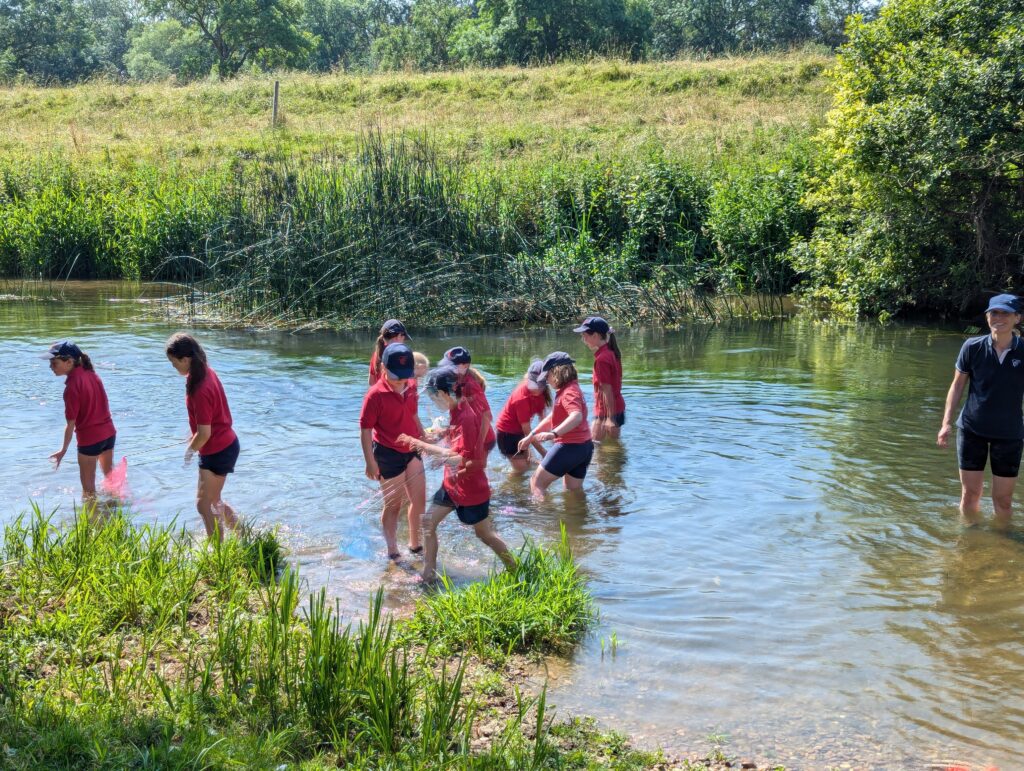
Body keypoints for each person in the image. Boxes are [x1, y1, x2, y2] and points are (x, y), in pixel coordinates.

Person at [399, 367, 514, 583]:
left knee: (485, 535)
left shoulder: (467, 416)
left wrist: (419, 444)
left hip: (471, 490)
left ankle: (515, 569)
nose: (433, 402)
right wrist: (441, 435)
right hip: (451, 485)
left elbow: (461, 458)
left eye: (433, 397)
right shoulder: (457, 410)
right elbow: (457, 444)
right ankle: (428, 573)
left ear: (443, 394)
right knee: (427, 523)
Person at [937, 294, 1024, 528]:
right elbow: (956, 386)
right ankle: (969, 541)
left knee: (1003, 500)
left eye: (1005, 313)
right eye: (994, 313)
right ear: (987, 317)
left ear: (1017, 318)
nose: (999, 318)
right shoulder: (972, 347)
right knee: (970, 494)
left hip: (1009, 434)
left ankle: (1001, 545)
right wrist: (946, 423)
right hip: (972, 429)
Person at [166, 333, 241, 540]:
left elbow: (205, 433)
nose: (174, 367)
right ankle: (243, 535)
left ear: (186, 359)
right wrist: (194, 436)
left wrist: (190, 449)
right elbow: (208, 423)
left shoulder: (199, 387)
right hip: (224, 444)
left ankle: (216, 549)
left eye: (174, 363)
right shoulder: (206, 372)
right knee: (214, 501)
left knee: (203, 504)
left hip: (217, 449)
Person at [359, 342, 426, 560]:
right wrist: (370, 462)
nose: (401, 381)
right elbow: (366, 430)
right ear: (384, 368)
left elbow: (413, 414)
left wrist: (423, 436)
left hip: (412, 448)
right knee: (394, 504)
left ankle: (415, 545)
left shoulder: (412, 386)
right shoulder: (375, 395)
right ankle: (392, 550)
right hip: (387, 453)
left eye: (405, 376)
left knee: (419, 501)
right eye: (396, 376)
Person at [45, 341, 117, 500]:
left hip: (90, 440)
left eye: (54, 363)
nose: (51, 367)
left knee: (89, 491)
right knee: (110, 478)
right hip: (109, 435)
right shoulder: (92, 374)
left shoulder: (71, 387)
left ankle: (93, 520)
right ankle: (115, 507)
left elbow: (71, 424)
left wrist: (63, 450)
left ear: (69, 362)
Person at [517, 352, 593, 497]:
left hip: (569, 447)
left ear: (557, 371)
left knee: (536, 483)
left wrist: (554, 433)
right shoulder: (572, 388)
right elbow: (554, 417)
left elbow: (576, 416)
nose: (546, 380)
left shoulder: (568, 392)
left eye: (547, 376)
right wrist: (532, 435)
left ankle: (542, 518)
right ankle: (575, 518)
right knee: (572, 493)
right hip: (584, 448)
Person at [495, 360, 551, 473]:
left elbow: (542, 418)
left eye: (539, 386)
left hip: (520, 433)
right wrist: (544, 453)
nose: (535, 389)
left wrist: (549, 437)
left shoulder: (542, 393)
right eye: (532, 384)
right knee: (520, 472)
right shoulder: (521, 399)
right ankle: (505, 489)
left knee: (530, 465)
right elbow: (527, 430)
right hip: (507, 436)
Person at [575, 316, 625, 442]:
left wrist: (609, 418)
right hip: (617, 408)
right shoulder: (612, 352)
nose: (583, 339)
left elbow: (607, 390)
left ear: (595, 335)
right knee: (612, 450)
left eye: (585, 335)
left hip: (606, 414)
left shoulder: (602, 359)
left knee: (595, 449)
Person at [443, 346, 495, 454]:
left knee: (466, 469)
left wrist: (479, 445)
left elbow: (487, 416)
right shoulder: (455, 382)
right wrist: (449, 433)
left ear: (465, 365)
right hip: (470, 436)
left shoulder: (470, 385)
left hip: (480, 439)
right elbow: (456, 413)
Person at [369, 319, 410, 386]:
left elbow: (371, 382)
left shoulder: (376, 354)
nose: (404, 341)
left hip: (379, 395)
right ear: (399, 336)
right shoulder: (400, 356)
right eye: (404, 338)